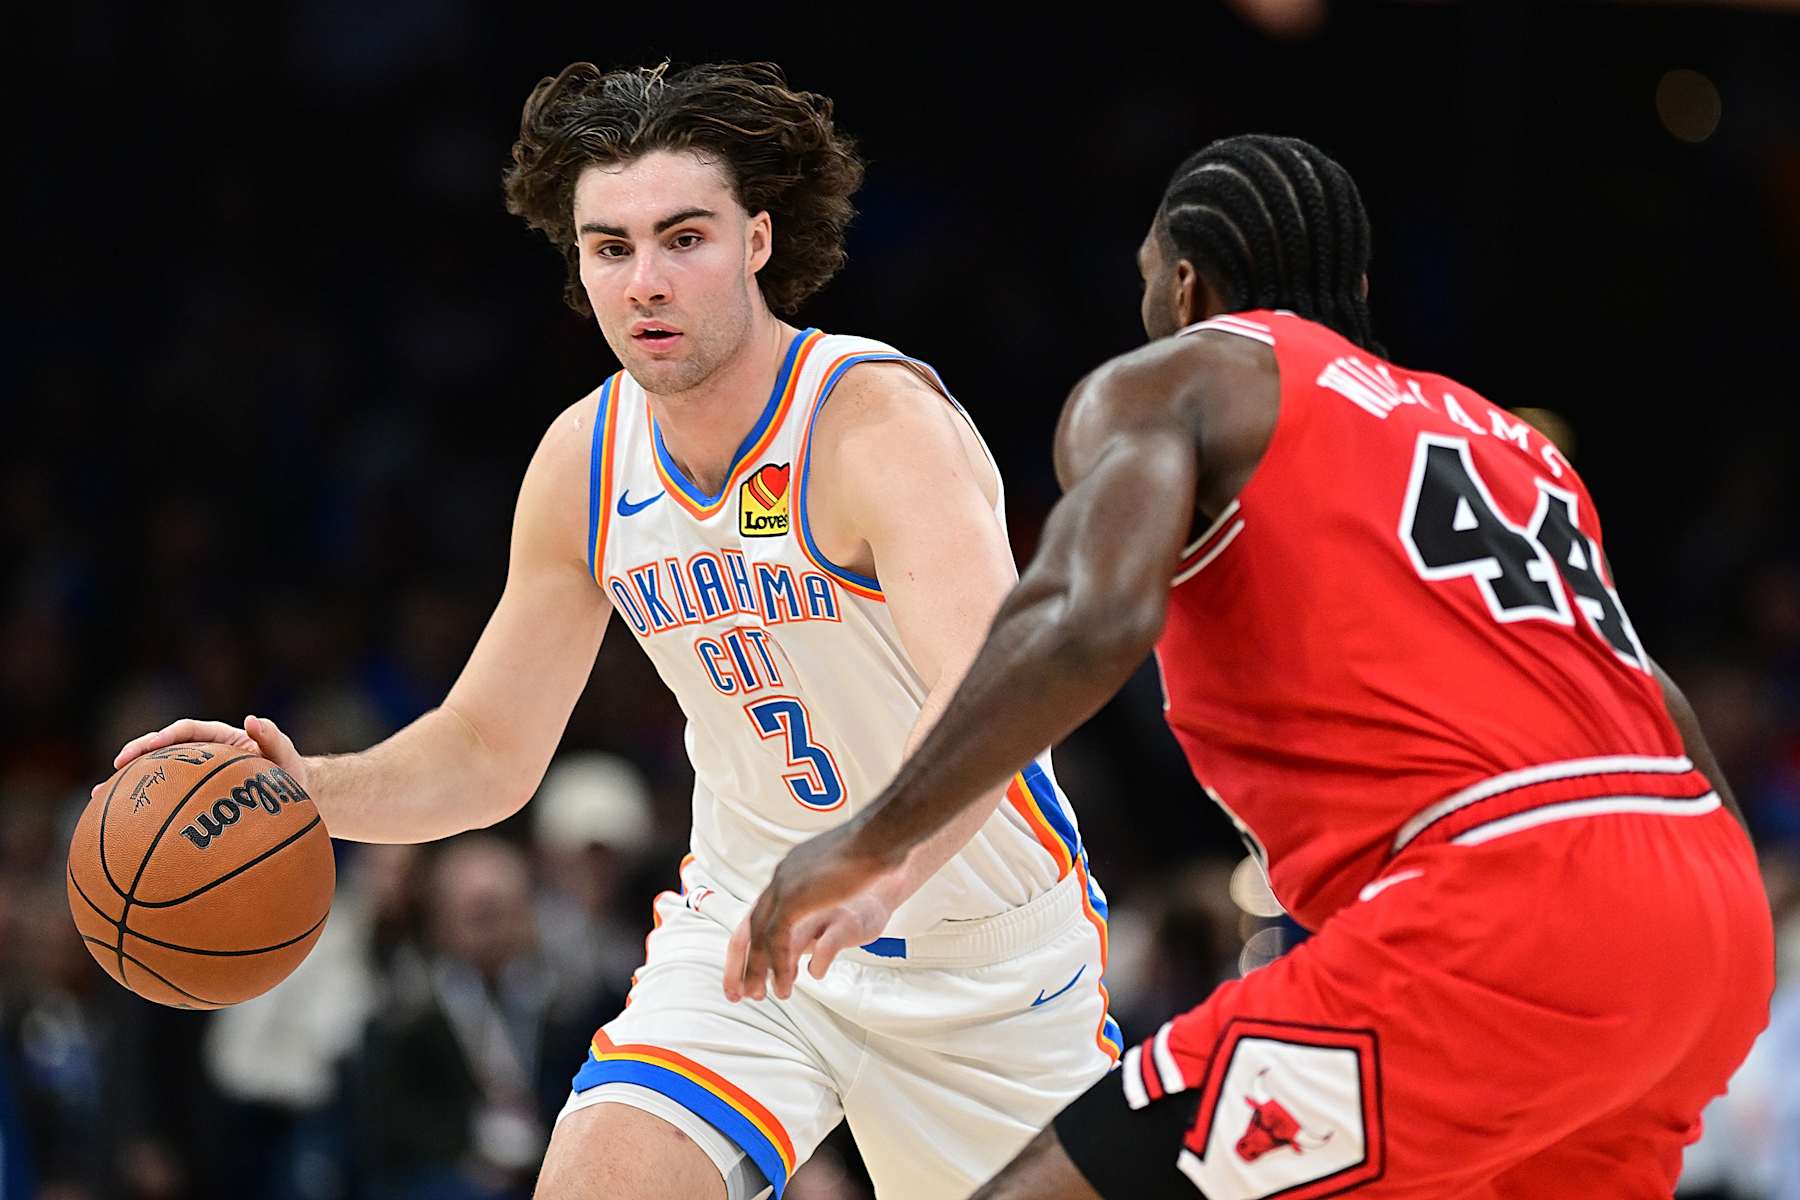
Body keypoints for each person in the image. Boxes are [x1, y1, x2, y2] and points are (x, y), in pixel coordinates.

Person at [102, 60, 1118, 1200]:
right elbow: (489, 750)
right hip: (751, 926)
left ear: (760, 241)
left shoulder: (874, 425)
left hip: (975, 948)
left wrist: (876, 864)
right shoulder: (583, 463)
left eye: (684, 237)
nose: (646, 281)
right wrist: (301, 792)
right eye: (610, 247)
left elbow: (1000, 692)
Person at [731, 134, 1774, 1199]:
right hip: (1708, 920)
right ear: (1356, 291)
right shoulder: (1511, 443)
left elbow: (1087, 619)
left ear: (1184, 287)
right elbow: (1657, 704)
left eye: (1146, 282)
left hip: (1505, 904)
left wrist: (874, 837)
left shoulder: (1189, 374)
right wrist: (1710, 921)